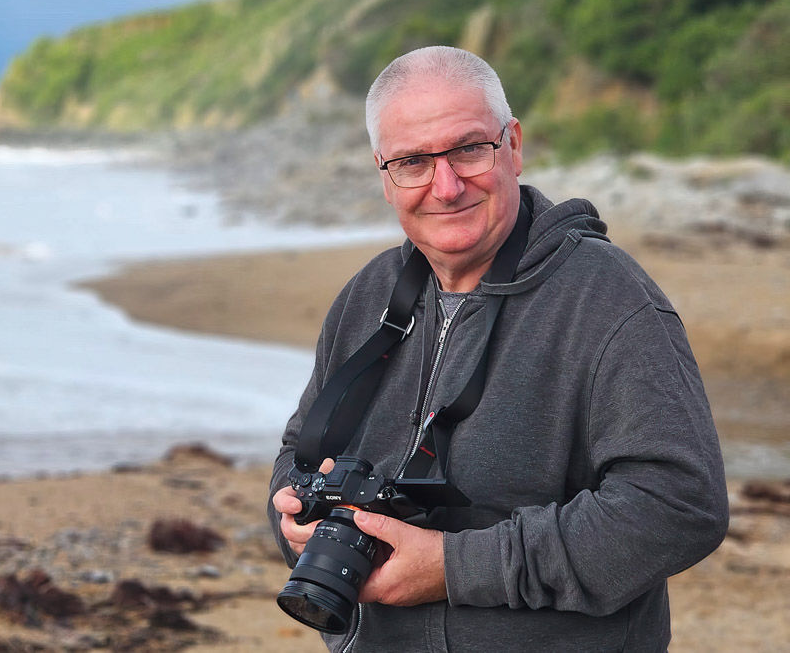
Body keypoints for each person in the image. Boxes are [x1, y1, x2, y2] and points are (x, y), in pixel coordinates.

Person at [268, 46, 728, 652]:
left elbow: (680, 505)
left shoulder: (609, 301)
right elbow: (299, 451)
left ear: (512, 145)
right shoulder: (369, 296)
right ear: (384, 175)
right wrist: (295, 519)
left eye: (468, 149)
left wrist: (455, 568)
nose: (446, 186)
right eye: (412, 161)